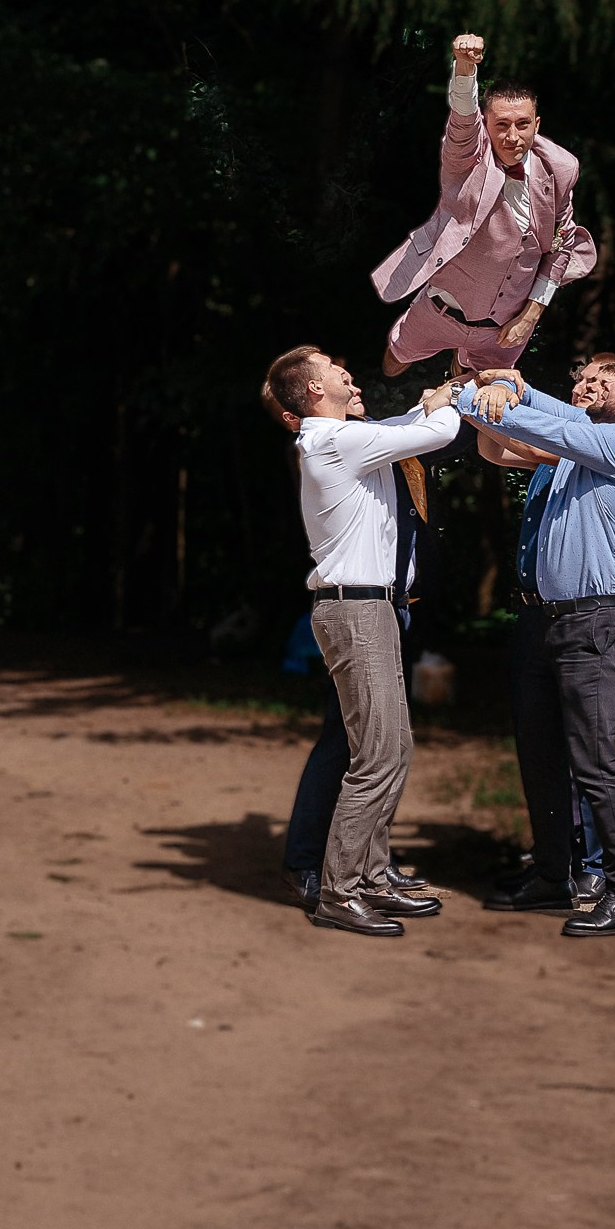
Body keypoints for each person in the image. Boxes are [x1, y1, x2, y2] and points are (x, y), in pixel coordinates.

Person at [460, 360, 615, 936]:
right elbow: (555, 415)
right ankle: (554, 876)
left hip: (596, 625)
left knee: (594, 763)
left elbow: (549, 429)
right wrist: (517, 384)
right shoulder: (592, 443)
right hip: (551, 623)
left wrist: (461, 398)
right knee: (539, 754)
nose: (608, 381)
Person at [265, 345, 460, 937]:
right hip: (357, 611)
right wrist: (456, 393)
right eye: (335, 371)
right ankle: (341, 889)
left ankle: (371, 875)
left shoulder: (348, 437)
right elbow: (436, 430)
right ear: (313, 393)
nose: (349, 374)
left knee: (390, 748)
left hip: (369, 608)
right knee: (376, 755)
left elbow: (405, 426)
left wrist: (438, 396)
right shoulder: (330, 440)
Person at [472, 351, 615, 908]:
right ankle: (553, 869)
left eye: (598, 380)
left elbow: (527, 430)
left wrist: (479, 396)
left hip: (583, 616)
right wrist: (480, 392)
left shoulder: (598, 444)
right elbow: (495, 449)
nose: (586, 385)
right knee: (538, 744)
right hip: (535, 614)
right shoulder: (559, 451)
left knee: (582, 745)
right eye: (582, 377)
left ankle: (591, 869)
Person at [373, 33, 598, 375]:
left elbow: (560, 246)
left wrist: (530, 316)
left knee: (480, 400)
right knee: (393, 365)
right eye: (501, 125)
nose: (512, 137)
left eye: (523, 125)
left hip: (506, 326)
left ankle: (461, 362)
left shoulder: (561, 169)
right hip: (442, 307)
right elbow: (463, 120)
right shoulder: (467, 158)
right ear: (487, 125)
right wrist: (465, 67)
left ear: (536, 125)